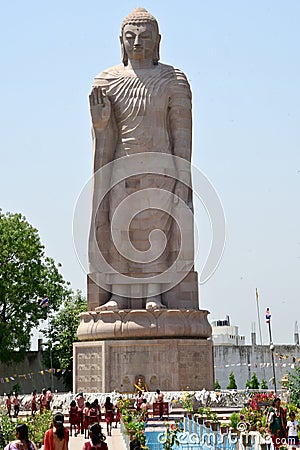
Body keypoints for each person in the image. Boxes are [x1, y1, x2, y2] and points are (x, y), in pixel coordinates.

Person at [89, 7, 193, 310]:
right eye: (130, 37)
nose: (137, 43)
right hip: (121, 168)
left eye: (144, 37)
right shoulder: (106, 81)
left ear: (157, 41)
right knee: (119, 229)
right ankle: (120, 293)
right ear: (120, 41)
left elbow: (182, 137)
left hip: (160, 167)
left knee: (154, 230)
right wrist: (100, 124)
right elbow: (104, 136)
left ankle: (153, 292)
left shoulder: (173, 79)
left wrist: (181, 178)